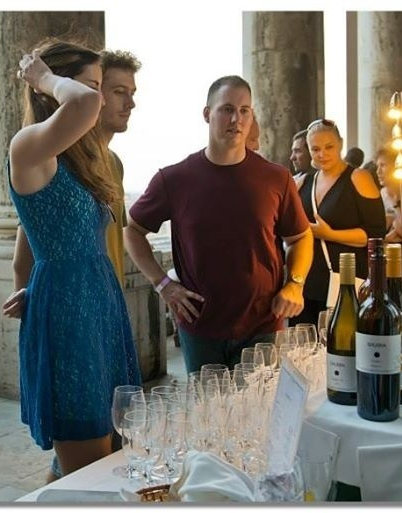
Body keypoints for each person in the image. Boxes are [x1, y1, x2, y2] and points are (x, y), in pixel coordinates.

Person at [1, 39, 141, 476]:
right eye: (93, 86)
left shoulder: (78, 161)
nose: (100, 99)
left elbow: (28, 240)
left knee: (114, 444)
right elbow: (81, 104)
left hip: (97, 304)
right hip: (69, 314)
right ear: (55, 87)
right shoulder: (27, 146)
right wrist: (42, 76)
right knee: (89, 463)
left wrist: (28, 289)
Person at [124, 75, 313, 372]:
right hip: (199, 325)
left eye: (244, 111)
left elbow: (301, 237)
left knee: (260, 403)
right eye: (227, 109)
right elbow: (132, 231)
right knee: (207, 403)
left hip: (263, 323)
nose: (236, 119)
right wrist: (162, 284)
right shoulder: (174, 179)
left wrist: (295, 284)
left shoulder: (276, 178)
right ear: (207, 114)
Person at [292, 119, 386, 326]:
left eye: (329, 147)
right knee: (305, 340)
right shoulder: (304, 182)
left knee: (343, 339)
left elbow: (376, 234)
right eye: (315, 149)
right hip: (308, 281)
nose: (322, 154)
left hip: (346, 280)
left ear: (341, 144)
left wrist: (329, 234)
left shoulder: (358, 177)